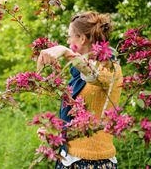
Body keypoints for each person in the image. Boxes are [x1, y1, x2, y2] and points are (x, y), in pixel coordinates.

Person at [37, 11, 122, 168]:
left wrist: (66, 52)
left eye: (70, 37)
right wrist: (56, 133)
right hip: (68, 159)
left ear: (82, 39)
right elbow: (78, 118)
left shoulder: (110, 68)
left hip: (93, 162)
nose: (68, 41)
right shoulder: (78, 72)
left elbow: (95, 75)